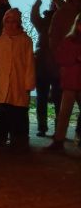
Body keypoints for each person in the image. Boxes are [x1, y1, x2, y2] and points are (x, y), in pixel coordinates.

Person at [0, 8, 36, 150]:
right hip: (3, 84)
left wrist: (29, 83)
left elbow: (29, 63)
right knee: (3, 113)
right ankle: (1, 139)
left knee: (19, 113)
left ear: (18, 23)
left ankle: (19, 140)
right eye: (7, 21)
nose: (10, 24)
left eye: (14, 21)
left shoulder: (25, 40)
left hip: (19, 84)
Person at [30, 0, 63, 137]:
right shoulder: (44, 22)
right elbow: (34, 15)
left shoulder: (65, 21)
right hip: (43, 65)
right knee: (41, 98)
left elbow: (65, 9)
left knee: (58, 99)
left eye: (55, 3)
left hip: (59, 65)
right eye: (52, 3)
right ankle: (42, 127)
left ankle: (59, 128)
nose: (53, 5)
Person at [46, 12, 81, 154]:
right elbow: (60, 58)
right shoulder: (69, 40)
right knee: (64, 113)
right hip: (71, 82)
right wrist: (75, 58)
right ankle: (58, 140)